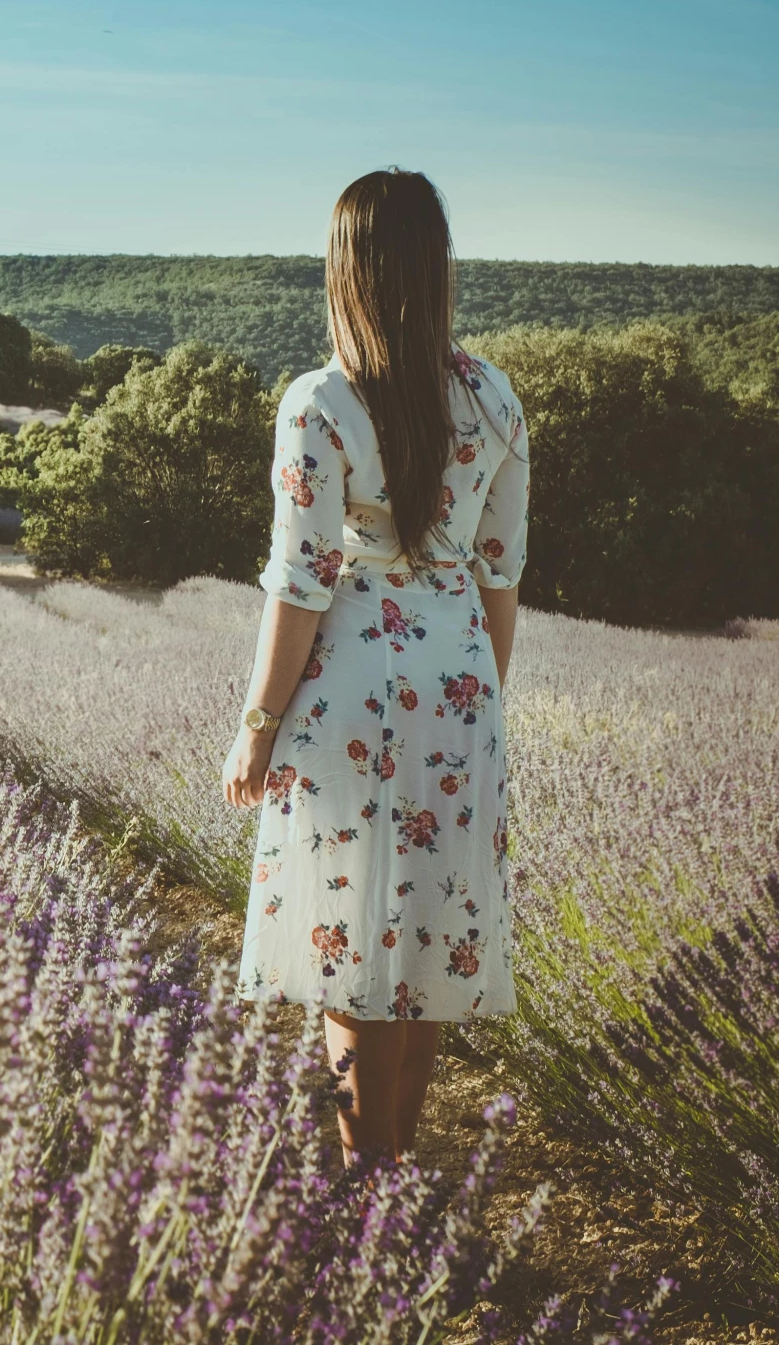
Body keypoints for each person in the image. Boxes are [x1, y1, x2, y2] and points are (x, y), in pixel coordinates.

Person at [220, 169, 529, 1166]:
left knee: (350, 943)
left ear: (345, 267)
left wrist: (256, 726)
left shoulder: (319, 400)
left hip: (348, 691)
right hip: (459, 690)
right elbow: (499, 576)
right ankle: (394, 1159)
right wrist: (480, 704)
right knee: (430, 936)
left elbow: (300, 583)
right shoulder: (492, 394)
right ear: (436, 268)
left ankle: (367, 1177)